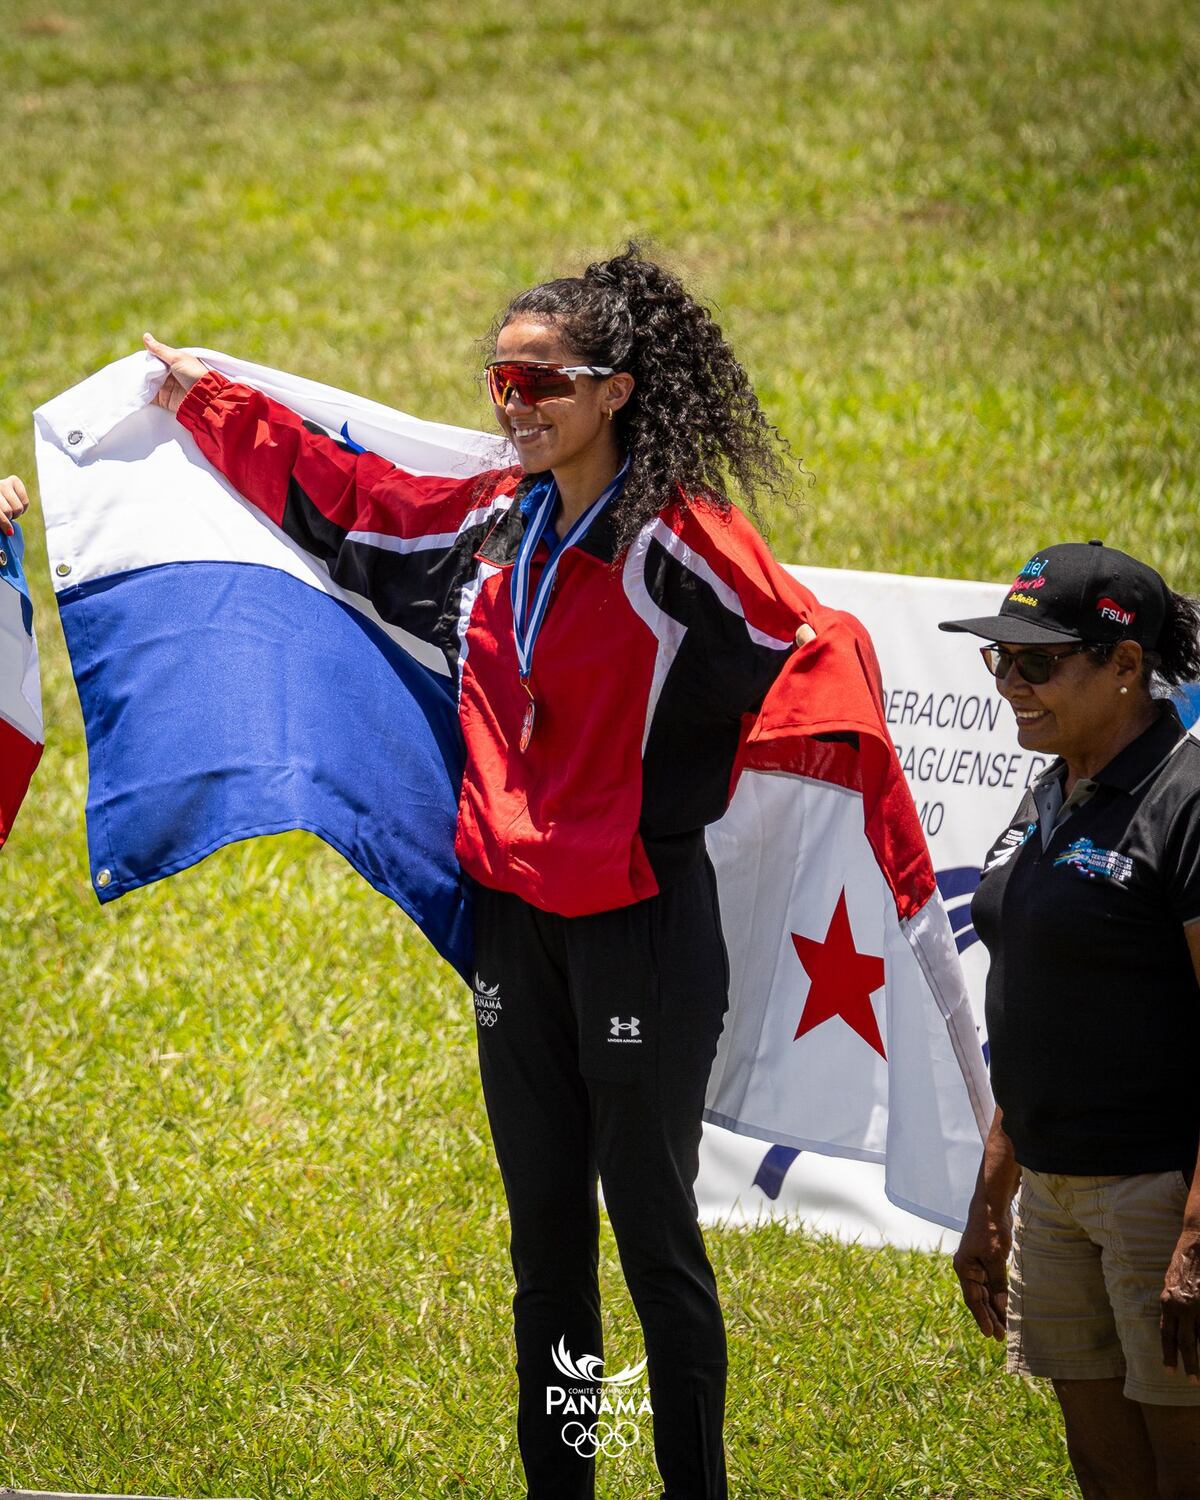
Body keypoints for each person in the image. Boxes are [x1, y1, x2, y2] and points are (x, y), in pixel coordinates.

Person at [142, 244, 813, 1500]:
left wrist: (662, 787)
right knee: (545, 1249)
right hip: (518, 928)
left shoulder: (676, 542)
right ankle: (563, 1489)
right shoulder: (495, 524)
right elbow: (350, 506)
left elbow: (794, 639)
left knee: (656, 1240)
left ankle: (693, 1492)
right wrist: (205, 403)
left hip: (641, 925)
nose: (514, 403)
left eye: (542, 381)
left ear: (616, 390)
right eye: (501, 378)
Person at [942, 540, 1200, 1500]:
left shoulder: (1188, 800)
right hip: (1051, 1193)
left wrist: (1196, 1233)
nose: (1010, 682)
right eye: (999, 658)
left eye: (1037, 661)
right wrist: (993, 1193)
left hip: (1156, 1195)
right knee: (1102, 1470)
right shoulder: (1052, 787)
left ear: (1127, 666)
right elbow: (1036, 996)